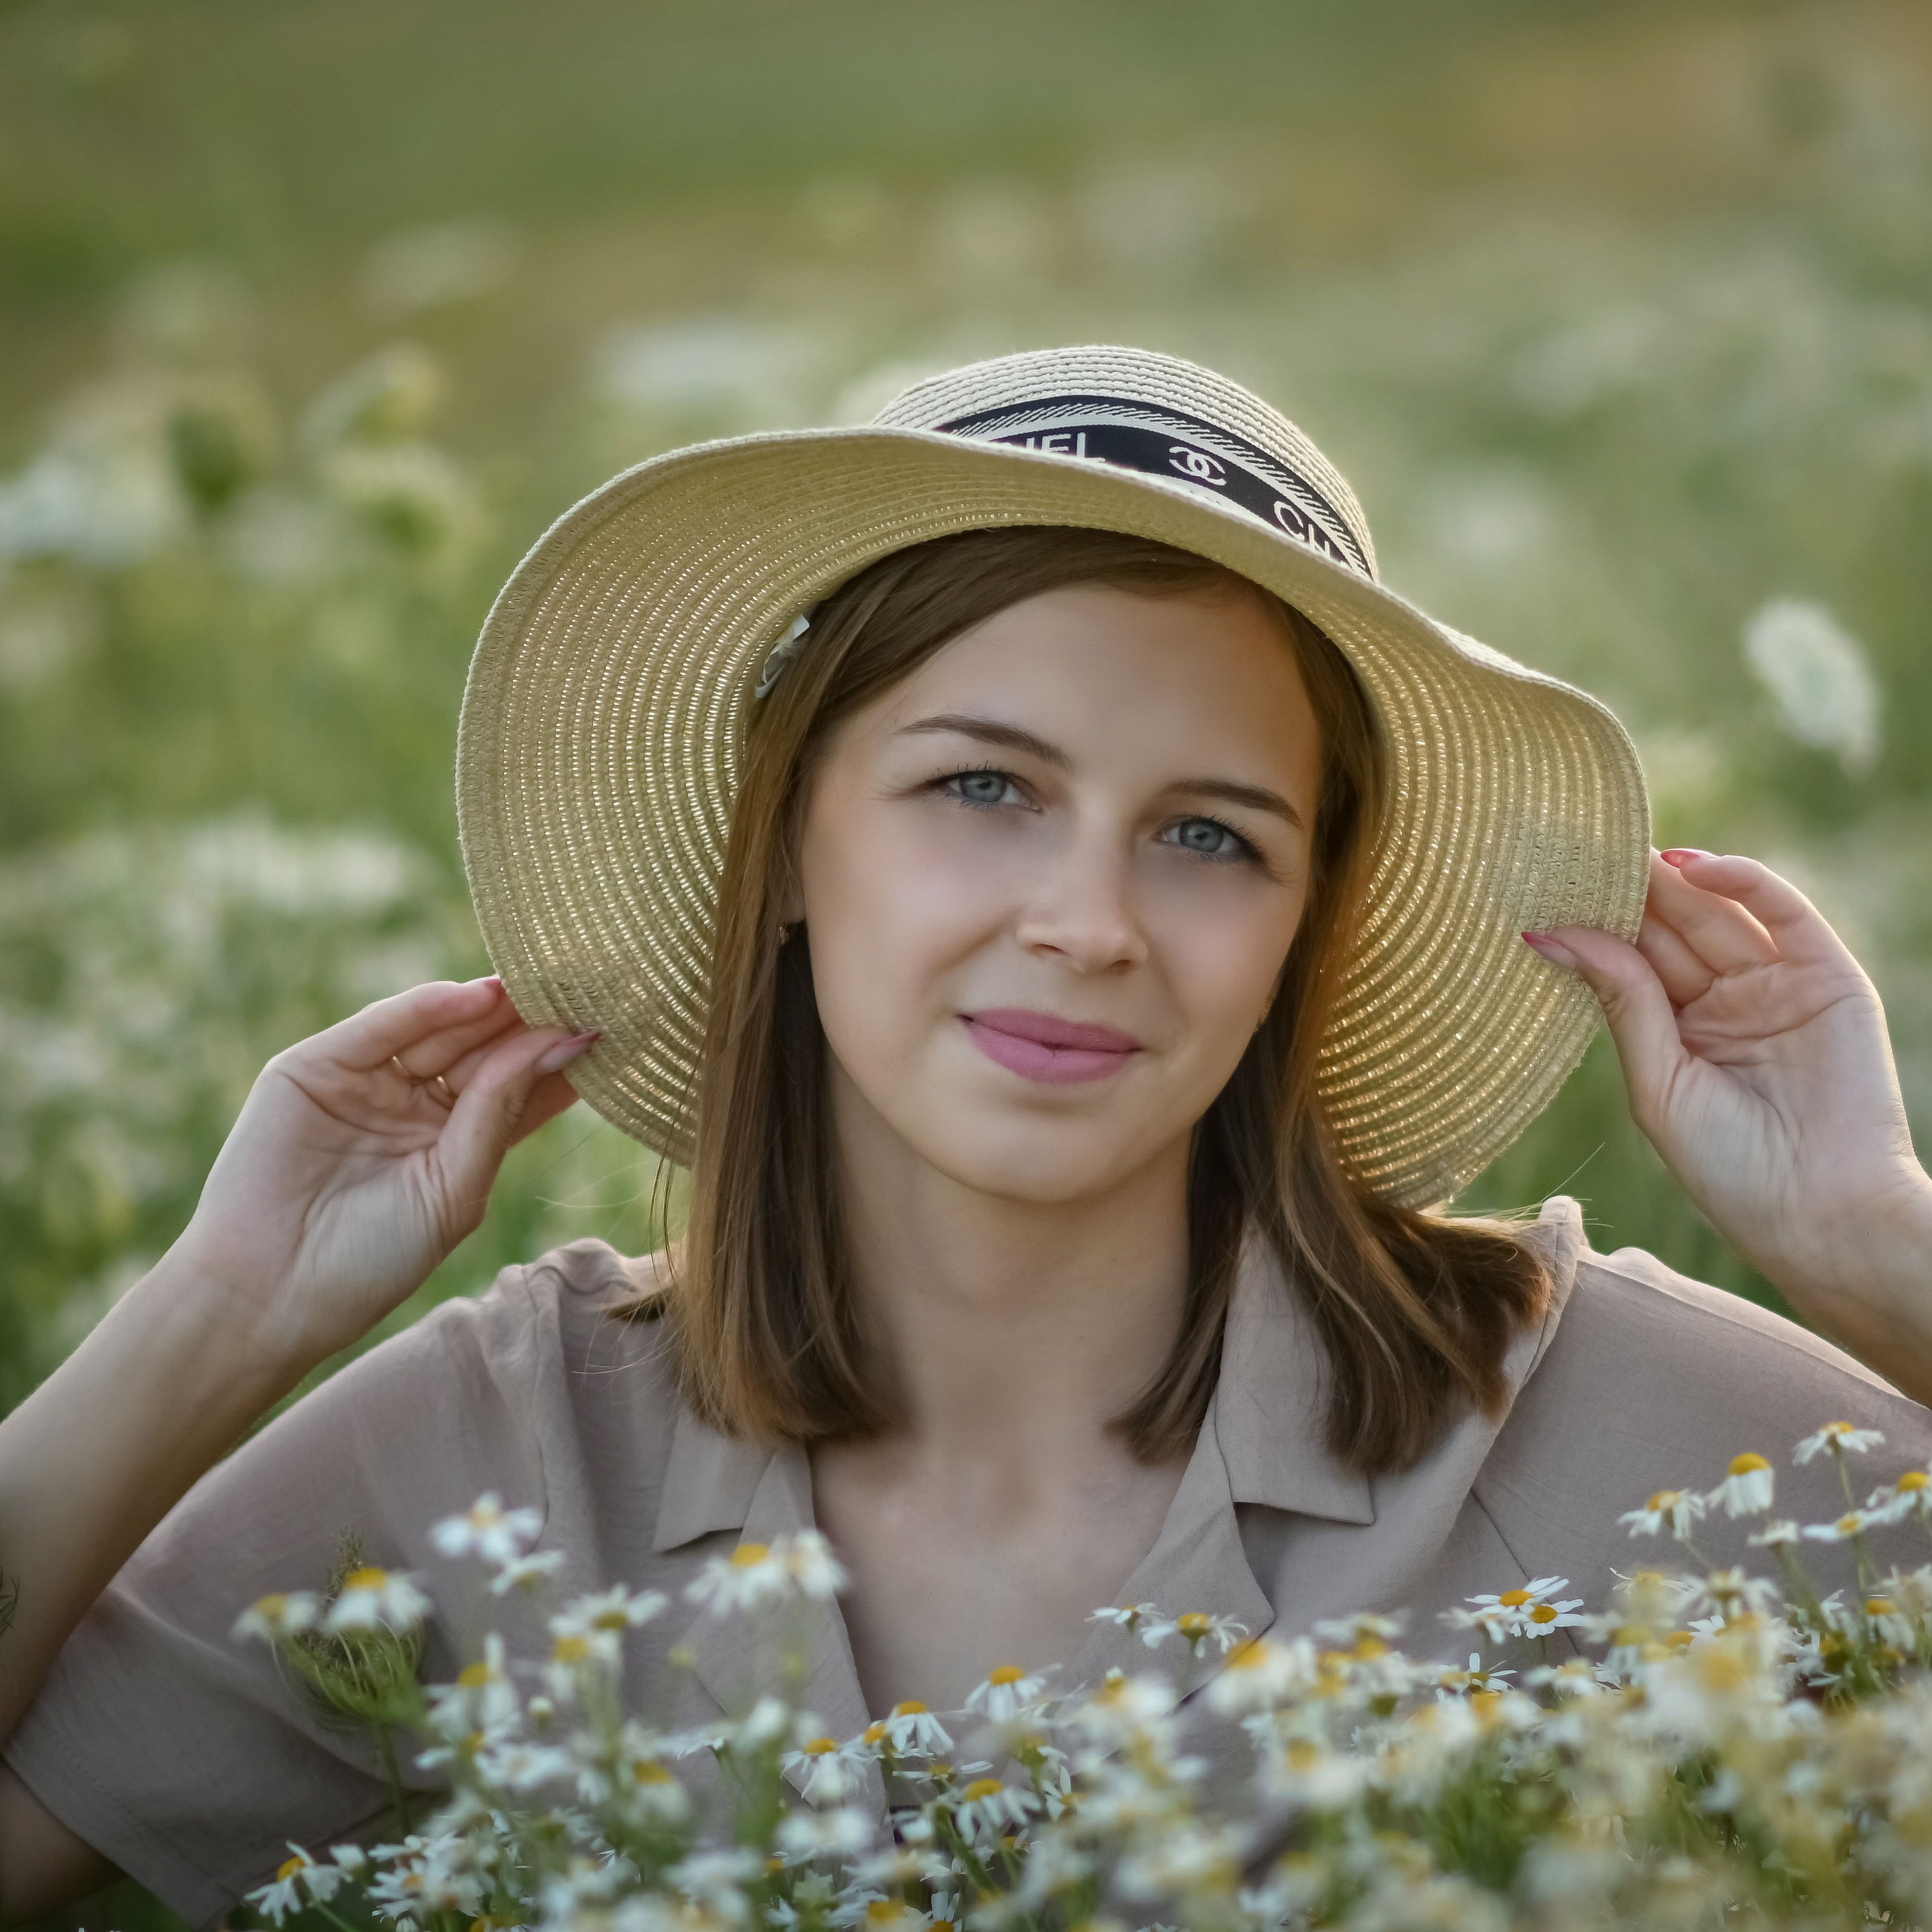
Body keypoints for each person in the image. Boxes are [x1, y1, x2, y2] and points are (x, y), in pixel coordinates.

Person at [2, 346, 1929, 1920]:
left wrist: (1870, 1248)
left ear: (1294, 934)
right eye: (984, 784)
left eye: (1208, 834)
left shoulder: (1578, 1414)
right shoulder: (509, 1452)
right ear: (785, 847)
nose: (1087, 920)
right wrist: (218, 1310)